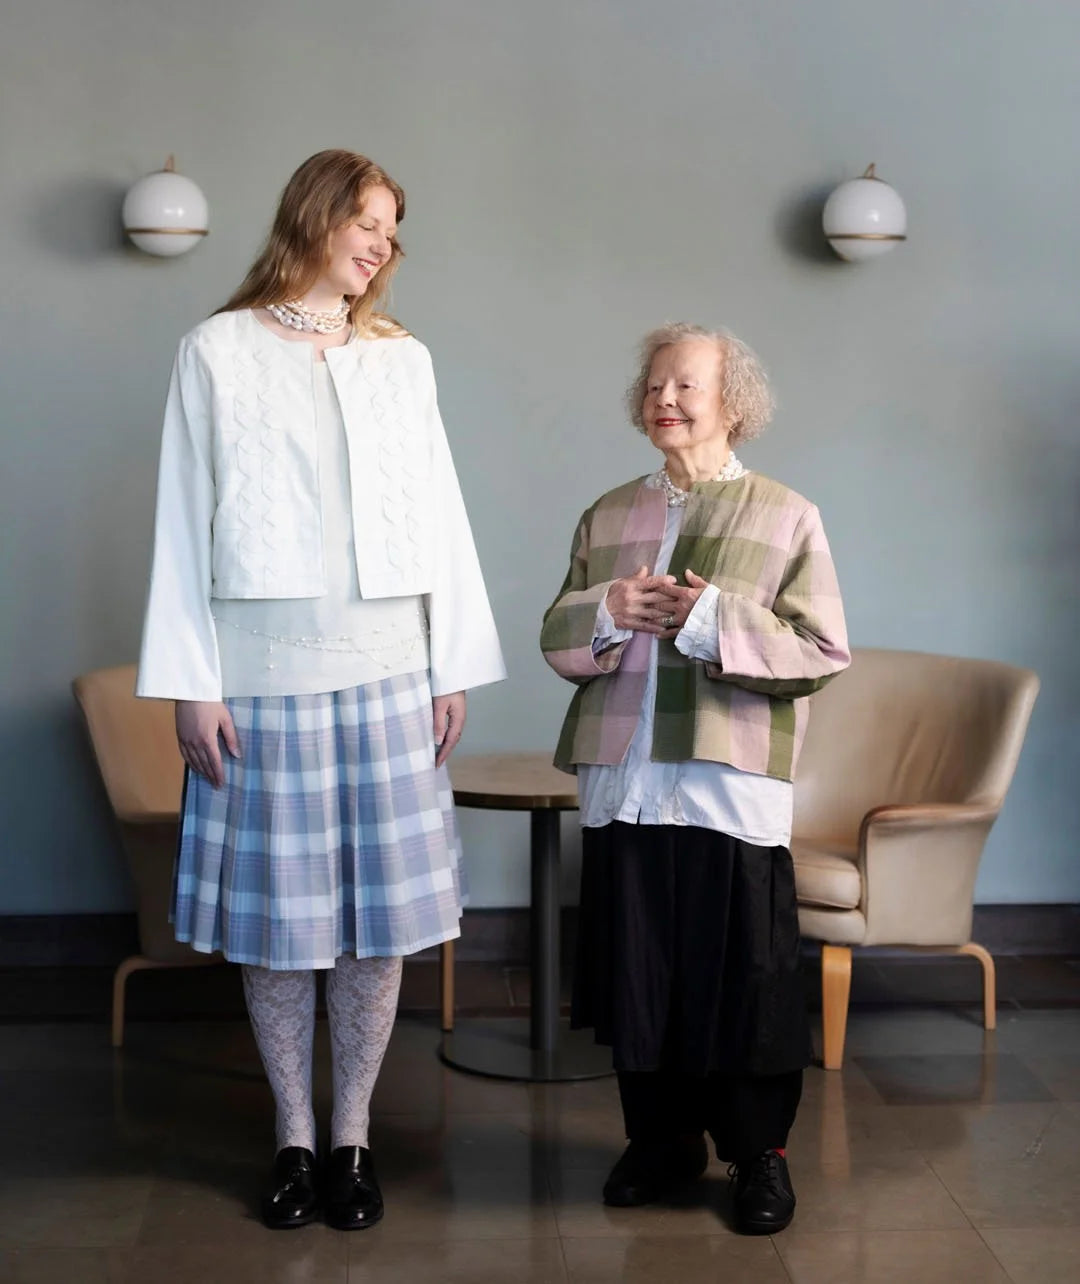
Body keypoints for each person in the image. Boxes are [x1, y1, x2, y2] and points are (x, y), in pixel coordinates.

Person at [136, 149, 505, 1231]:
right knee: (280, 925)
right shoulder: (215, 350)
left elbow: (440, 510)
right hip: (262, 676)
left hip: (392, 671)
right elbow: (180, 519)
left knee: (379, 924)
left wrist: (448, 663)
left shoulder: (403, 359)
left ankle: (355, 1140)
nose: (383, 242)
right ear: (314, 217)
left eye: (394, 227)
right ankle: (294, 1138)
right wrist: (191, 684)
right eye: (368, 220)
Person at [540, 322, 849, 1235]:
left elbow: (822, 651)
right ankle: (660, 1141)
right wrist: (606, 609)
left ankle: (762, 1157)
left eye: (685, 386)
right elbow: (557, 640)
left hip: (729, 786)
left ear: (733, 403)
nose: (664, 400)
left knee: (745, 976)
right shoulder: (605, 515)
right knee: (642, 968)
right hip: (624, 778)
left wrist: (712, 619)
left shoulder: (787, 512)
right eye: (653, 386)